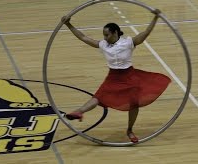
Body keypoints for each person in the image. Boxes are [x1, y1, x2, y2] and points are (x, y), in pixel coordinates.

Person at [62, 9, 171, 143]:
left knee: (134, 104)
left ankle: (130, 130)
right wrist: (68, 25)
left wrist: (155, 17)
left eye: (107, 35)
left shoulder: (128, 42)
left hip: (129, 76)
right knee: (98, 97)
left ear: (115, 33)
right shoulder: (103, 44)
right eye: (103, 35)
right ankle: (79, 111)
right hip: (113, 77)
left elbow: (145, 33)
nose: (105, 38)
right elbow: (83, 37)